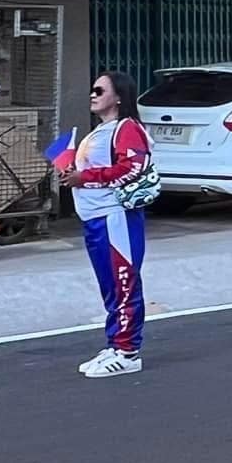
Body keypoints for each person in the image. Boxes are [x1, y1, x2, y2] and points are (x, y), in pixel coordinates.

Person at [61, 69, 155, 379]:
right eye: (92, 89)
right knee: (111, 286)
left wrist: (84, 177)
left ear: (118, 97)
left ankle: (128, 351)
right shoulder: (100, 132)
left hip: (115, 217)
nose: (92, 94)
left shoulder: (127, 128)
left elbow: (135, 167)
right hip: (96, 218)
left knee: (123, 284)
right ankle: (117, 344)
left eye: (99, 91)